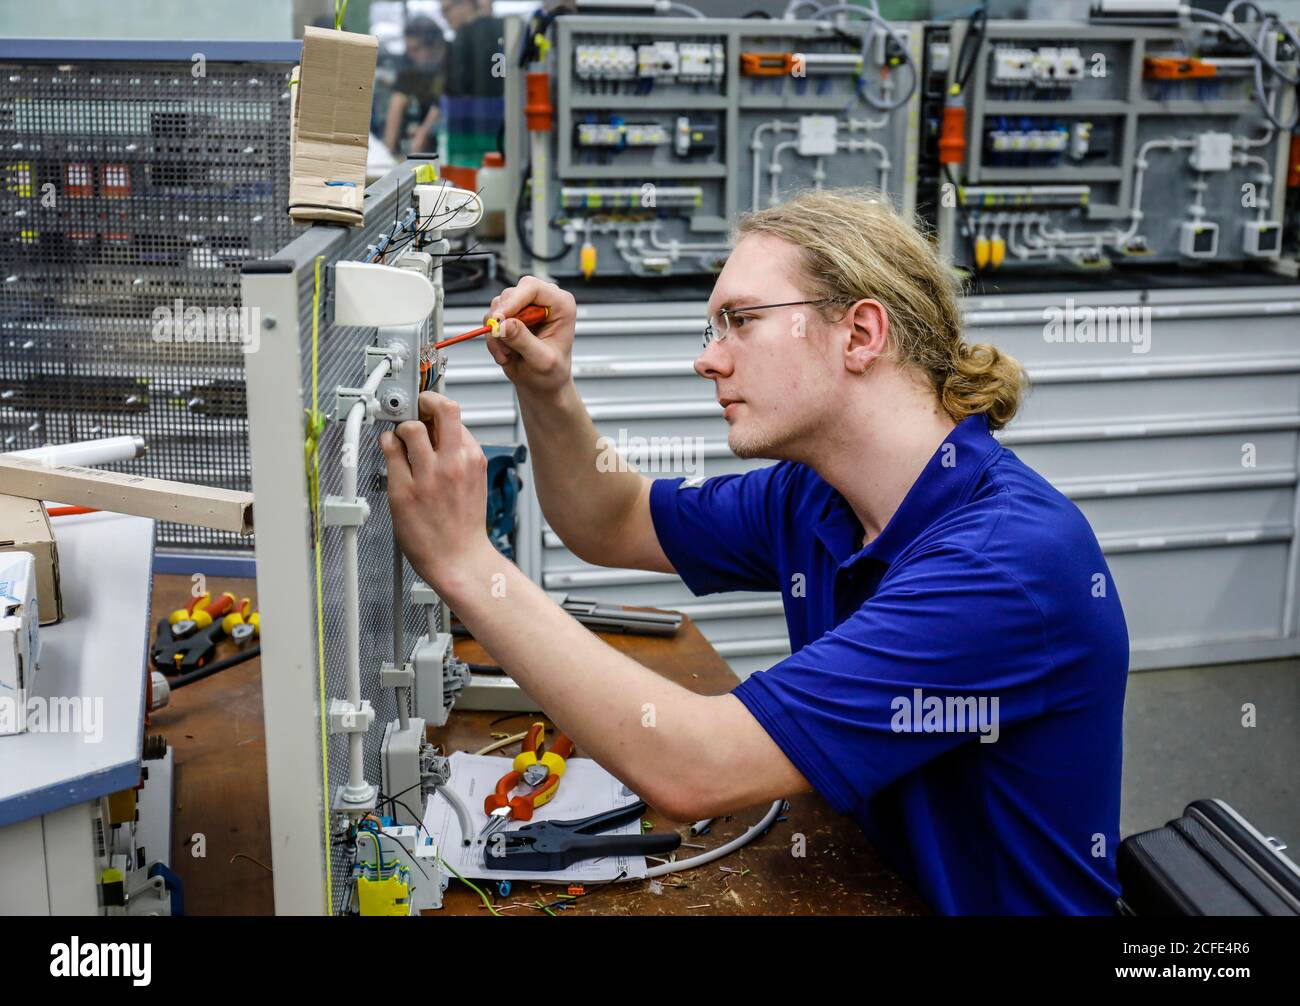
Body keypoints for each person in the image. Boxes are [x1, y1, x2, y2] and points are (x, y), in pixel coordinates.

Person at [380, 188, 1130, 915]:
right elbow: (613, 519)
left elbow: (694, 766)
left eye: (739, 321)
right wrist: (547, 390)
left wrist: (466, 564)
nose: (709, 360)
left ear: (861, 334)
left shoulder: (1006, 565)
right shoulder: (814, 495)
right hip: (880, 883)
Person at [439, 0, 504, 167]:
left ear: (466, 3)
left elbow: (455, 89)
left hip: (471, 136)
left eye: (446, 10)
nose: (445, 18)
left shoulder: (462, 37)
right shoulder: (507, 29)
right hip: (509, 133)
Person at [383, 18, 446, 155]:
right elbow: (397, 101)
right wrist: (388, 152)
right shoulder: (412, 67)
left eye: (416, 49)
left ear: (434, 45)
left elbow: (441, 104)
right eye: (409, 50)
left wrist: (422, 134)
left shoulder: (452, 64)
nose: (411, 55)